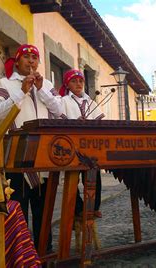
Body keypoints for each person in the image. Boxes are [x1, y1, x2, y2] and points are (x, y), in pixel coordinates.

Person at [0, 44, 64, 252]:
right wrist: (21, 92)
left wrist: (41, 90)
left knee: (44, 210)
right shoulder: (4, 83)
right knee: (19, 210)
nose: (31, 61)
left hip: (45, 158)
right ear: (17, 61)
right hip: (17, 158)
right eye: (26, 57)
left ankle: (43, 253)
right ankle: (20, 256)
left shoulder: (46, 84)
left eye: (35, 57)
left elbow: (59, 110)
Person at [58, 69, 104, 218]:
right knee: (72, 177)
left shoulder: (91, 102)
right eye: (74, 81)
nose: (78, 84)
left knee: (93, 176)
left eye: (80, 81)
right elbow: (59, 122)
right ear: (67, 84)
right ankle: (77, 208)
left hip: (90, 145)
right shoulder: (63, 101)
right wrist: (74, 123)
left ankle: (93, 207)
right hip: (72, 145)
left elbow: (101, 123)